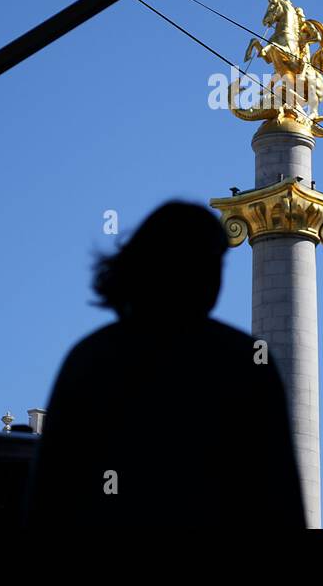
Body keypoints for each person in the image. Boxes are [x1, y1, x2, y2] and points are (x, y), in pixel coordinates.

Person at [26, 201, 306, 528]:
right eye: (206, 262)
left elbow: (47, 496)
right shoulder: (241, 361)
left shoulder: (91, 358)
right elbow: (280, 498)